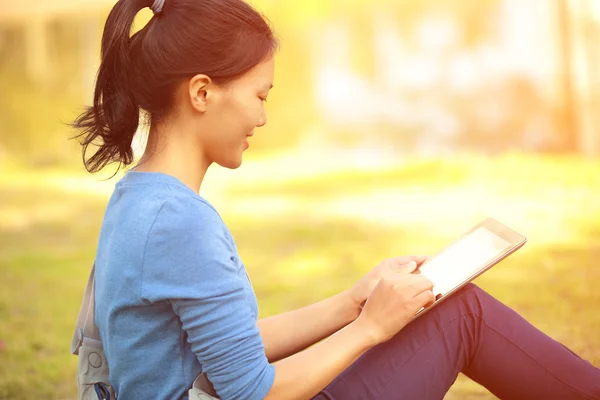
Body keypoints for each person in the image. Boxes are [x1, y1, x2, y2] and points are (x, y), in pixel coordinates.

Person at [72, 0, 600, 399]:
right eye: (259, 96)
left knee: (452, 308)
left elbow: (225, 346)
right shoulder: (179, 220)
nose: (262, 118)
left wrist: (354, 303)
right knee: (462, 314)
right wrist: (371, 328)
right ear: (202, 93)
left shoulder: (136, 200)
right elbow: (252, 391)